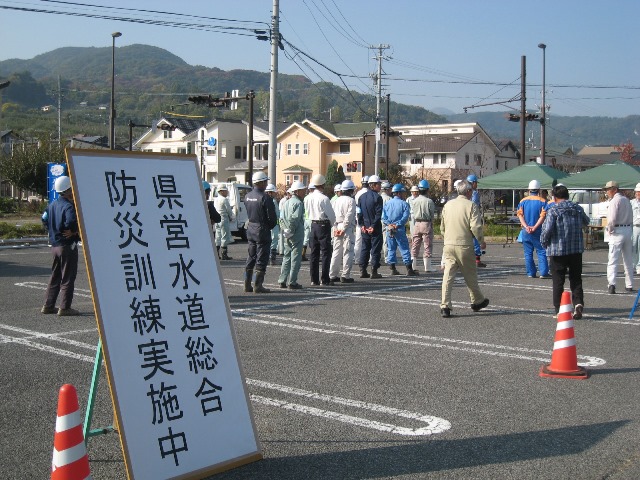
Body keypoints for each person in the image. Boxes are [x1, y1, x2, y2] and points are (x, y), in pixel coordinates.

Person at [440, 180, 489, 318]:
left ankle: (445, 305)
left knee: (448, 276)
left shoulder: (448, 205)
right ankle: (477, 300)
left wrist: (448, 238)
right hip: (464, 245)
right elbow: (476, 227)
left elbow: (442, 227)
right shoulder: (471, 205)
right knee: (470, 275)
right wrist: (481, 241)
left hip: (449, 244)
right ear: (468, 191)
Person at [540, 185, 590, 319]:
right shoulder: (578, 208)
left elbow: (547, 230)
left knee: (558, 280)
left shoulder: (553, 210)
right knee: (576, 278)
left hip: (558, 250)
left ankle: (559, 309)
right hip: (575, 250)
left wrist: (544, 243)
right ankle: (578, 303)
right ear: (567, 196)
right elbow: (587, 221)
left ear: (554, 197)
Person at [41, 176, 82, 316]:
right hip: (66, 245)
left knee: (55, 275)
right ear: (68, 190)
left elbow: (44, 219)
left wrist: (53, 230)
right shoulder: (68, 206)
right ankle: (64, 307)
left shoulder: (52, 205)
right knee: (68, 276)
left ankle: (48, 305)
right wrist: (74, 231)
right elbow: (71, 221)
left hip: (55, 245)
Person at [244, 171, 278, 293]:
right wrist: (268, 227)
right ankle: (258, 285)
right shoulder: (265, 197)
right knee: (262, 258)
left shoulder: (247, 196)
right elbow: (273, 219)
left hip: (251, 227)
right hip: (262, 229)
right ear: (262, 182)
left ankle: (247, 284)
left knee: (251, 256)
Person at [306, 174, 337, 286]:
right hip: (323, 225)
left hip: (313, 224)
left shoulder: (308, 198)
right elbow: (331, 215)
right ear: (323, 184)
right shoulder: (324, 198)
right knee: (325, 253)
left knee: (314, 253)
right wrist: (334, 225)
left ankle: (314, 279)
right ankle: (325, 279)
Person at [604, 180, 634, 294]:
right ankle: (629, 284)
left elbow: (611, 219)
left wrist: (610, 229)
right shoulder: (627, 200)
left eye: (608, 189)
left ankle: (612, 284)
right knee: (628, 259)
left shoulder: (614, 201)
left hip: (617, 231)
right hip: (628, 229)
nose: (607, 192)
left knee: (613, 259)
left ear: (614, 189)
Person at [382, 184, 419, 276]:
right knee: (404, 248)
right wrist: (397, 225)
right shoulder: (404, 204)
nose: (404, 194)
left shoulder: (387, 203)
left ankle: (393, 268)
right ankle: (409, 269)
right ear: (399, 193)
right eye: (402, 192)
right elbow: (405, 217)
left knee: (391, 248)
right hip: (399, 229)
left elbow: (383, 217)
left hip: (389, 229)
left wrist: (389, 224)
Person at [516, 179, 550, 279]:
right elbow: (543, 216)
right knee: (541, 251)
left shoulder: (523, 201)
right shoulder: (543, 202)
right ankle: (543, 272)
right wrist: (535, 227)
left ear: (529, 190)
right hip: (538, 230)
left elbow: (520, 215)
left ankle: (530, 273)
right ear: (539, 190)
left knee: (528, 253)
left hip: (526, 231)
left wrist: (526, 227)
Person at [278, 182, 306, 289]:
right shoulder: (298, 203)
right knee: (295, 258)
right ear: (297, 191)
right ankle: (292, 282)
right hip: (295, 232)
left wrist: (285, 230)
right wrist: (291, 229)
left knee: (286, 257)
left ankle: (282, 280)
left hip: (286, 232)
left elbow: (281, 218)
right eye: (303, 190)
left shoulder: (286, 202)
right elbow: (294, 218)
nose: (304, 192)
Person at [329, 179, 357, 283]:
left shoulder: (336, 200)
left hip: (337, 226)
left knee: (336, 251)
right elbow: (349, 217)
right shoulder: (351, 201)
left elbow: (332, 215)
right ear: (350, 190)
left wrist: (336, 228)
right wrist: (344, 229)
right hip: (347, 228)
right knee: (348, 251)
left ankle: (332, 274)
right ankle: (345, 275)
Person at [357, 175, 383, 279]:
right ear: (374, 185)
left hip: (364, 226)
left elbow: (359, 212)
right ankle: (374, 271)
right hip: (374, 227)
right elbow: (378, 213)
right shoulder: (378, 198)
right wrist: (373, 226)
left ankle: (363, 270)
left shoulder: (361, 197)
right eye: (379, 184)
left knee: (365, 248)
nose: (380, 186)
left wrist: (361, 224)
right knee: (375, 249)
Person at [411, 179, 435, 273]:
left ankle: (413, 265)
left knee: (415, 244)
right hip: (426, 223)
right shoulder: (429, 201)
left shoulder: (415, 201)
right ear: (427, 190)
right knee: (427, 244)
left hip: (416, 223)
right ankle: (427, 267)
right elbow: (432, 214)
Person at [467, 174, 486, 268]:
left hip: (465, 218)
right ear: (473, 183)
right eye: (475, 183)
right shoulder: (474, 193)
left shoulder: (464, 193)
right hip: (473, 218)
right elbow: (474, 206)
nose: (476, 185)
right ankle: (477, 259)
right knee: (475, 238)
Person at [214, 184, 235, 260]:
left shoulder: (216, 199)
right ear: (222, 191)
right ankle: (224, 255)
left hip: (217, 220)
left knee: (218, 237)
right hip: (224, 219)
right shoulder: (224, 199)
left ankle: (216, 254)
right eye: (226, 191)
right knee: (225, 237)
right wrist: (231, 217)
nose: (227, 192)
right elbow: (229, 210)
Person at [354, 176, 369, 263]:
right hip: (369, 219)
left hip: (359, 219)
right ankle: (370, 259)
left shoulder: (357, 194)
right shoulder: (371, 193)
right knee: (370, 240)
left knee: (358, 240)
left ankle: (357, 258)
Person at [265, 184, 280, 265]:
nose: (275, 193)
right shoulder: (273, 201)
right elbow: (277, 214)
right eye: (274, 192)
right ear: (270, 192)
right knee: (274, 240)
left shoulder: (264, 199)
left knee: (268, 241)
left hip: (267, 225)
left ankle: (267, 258)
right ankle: (272, 259)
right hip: (274, 224)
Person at [301, 183, 314, 261]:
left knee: (306, 237)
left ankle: (303, 254)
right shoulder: (315, 197)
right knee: (314, 238)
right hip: (313, 219)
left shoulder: (306, 198)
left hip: (306, 219)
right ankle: (314, 254)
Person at [631, 183, 640, 275]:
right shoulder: (631, 202)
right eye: (637, 192)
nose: (638, 193)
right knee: (633, 246)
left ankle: (639, 266)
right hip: (634, 227)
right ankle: (632, 265)